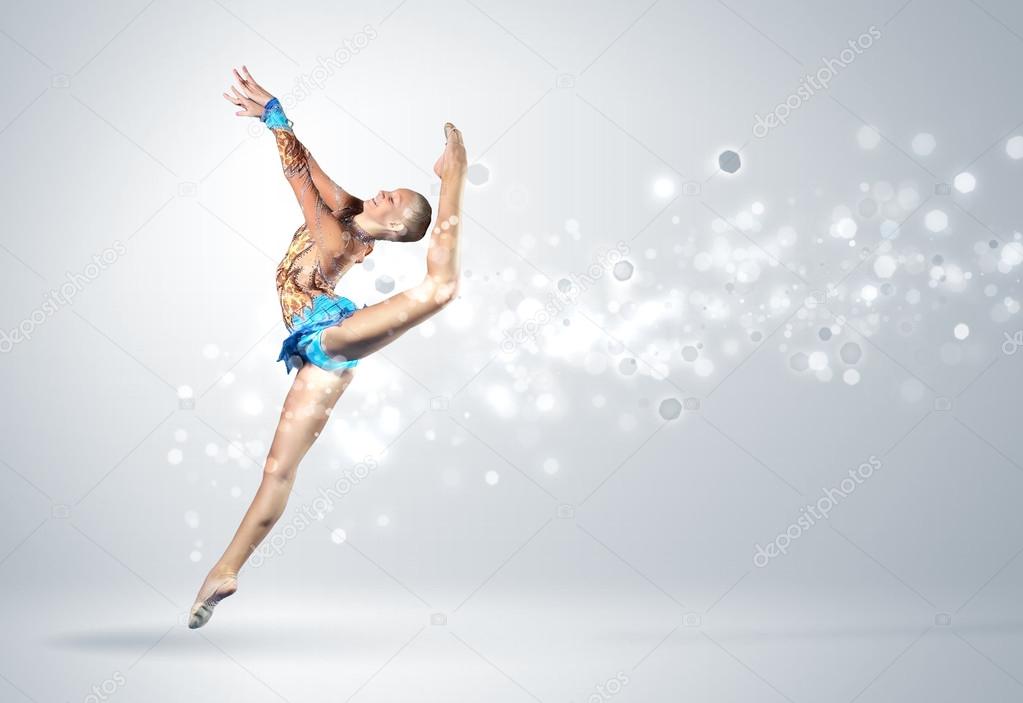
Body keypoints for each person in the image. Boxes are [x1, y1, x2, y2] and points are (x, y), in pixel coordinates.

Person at [187, 66, 467, 629]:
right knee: (277, 472)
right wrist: (278, 115)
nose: (385, 191)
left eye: (395, 200)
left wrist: (275, 121)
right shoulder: (350, 207)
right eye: (392, 189)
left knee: (440, 289)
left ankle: (455, 176)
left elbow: (296, 180)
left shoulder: (337, 237)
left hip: (329, 332)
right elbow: (310, 165)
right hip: (324, 359)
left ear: (392, 228)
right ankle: (224, 570)